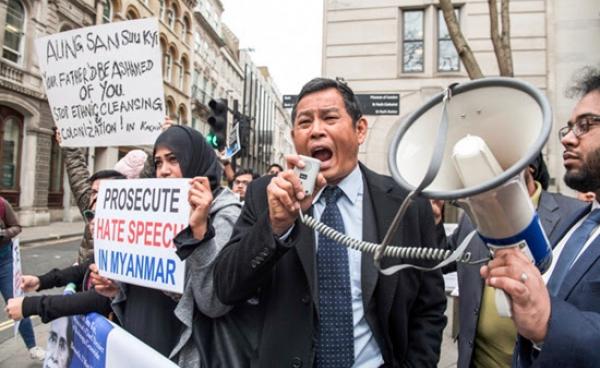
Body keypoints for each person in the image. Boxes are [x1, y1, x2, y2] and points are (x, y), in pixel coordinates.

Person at [214, 77, 447, 367]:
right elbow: (226, 287)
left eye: (329, 118)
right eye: (304, 123)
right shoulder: (265, 195)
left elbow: (429, 306)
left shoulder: (407, 204)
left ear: (359, 130)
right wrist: (275, 227)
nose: (316, 131)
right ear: (293, 136)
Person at [481, 66, 600, 367]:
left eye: (586, 126)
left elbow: (548, 316)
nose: (568, 139)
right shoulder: (579, 222)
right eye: (570, 127)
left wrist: (547, 322)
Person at [104, 125, 241, 360]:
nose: (163, 171)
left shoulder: (225, 213)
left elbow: (213, 301)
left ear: (194, 158)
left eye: (173, 159)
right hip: (139, 336)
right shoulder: (153, 207)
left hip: (179, 344)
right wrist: (116, 287)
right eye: (158, 163)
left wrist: (200, 233)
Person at [440, 155, 586, 368]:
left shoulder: (574, 215)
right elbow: (441, 259)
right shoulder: (473, 218)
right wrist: (433, 220)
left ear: (530, 167)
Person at [5, 170, 125, 324]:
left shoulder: (126, 246)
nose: (95, 200)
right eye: (94, 192)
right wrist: (40, 281)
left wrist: (32, 306)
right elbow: (83, 270)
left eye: (106, 194)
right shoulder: (104, 245)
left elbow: (101, 298)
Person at [0, 195, 46, 361]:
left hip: (4, 262)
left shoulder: (2, 204)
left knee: (17, 302)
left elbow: (17, 227)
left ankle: (32, 346)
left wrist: (3, 233)